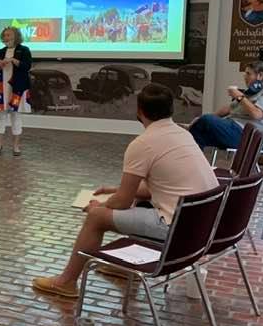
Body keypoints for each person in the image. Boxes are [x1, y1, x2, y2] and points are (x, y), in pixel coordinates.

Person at [32, 84, 218, 298]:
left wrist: (99, 205)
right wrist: (117, 190)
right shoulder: (183, 134)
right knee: (138, 202)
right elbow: (159, 187)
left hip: (176, 229)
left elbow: (121, 201)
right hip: (202, 224)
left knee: (96, 218)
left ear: (139, 111)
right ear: (171, 109)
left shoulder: (143, 144)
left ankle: (66, 282)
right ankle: (122, 267)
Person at [188, 61, 263, 151]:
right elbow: (230, 108)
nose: (244, 76)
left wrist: (239, 96)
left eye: (248, 74)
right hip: (235, 128)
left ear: (260, 75)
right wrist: (200, 119)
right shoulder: (254, 90)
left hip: (251, 137)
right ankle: (193, 168)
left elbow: (257, 114)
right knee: (196, 133)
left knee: (207, 120)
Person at [0, 26, 32, 156]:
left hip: (17, 88)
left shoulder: (24, 50)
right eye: (4, 35)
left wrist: (13, 60)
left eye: (9, 35)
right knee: (0, 116)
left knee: (16, 116)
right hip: (1, 88)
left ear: (16, 36)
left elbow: (27, 66)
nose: (6, 38)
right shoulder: (0, 51)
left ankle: (16, 146)